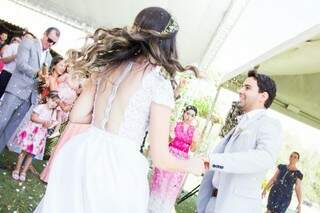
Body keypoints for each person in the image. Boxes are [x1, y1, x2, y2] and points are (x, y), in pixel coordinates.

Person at [33, 7, 206, 213]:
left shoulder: (108, 66)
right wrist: (192, 165)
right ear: (167, 42)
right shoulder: (159, 85)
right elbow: (160, 157)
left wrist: (102, 119)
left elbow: (77, 115)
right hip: (119, 168)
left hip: (84, 152)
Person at [197, 70, 282, 213]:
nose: (240, 90)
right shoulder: (241, 123)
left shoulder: (269, 124)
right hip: (212, 203)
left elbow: (265, 158)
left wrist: (214, 160)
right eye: (242, 86)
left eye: (247, 88)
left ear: (263, 96)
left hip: (235, 207)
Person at [0, 27, 60, 156]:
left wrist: (43, 82)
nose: (50, 44)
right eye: (49, 40)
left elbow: (41, 76)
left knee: (10, 128)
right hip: (17, 89)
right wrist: (38, 73)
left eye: (54, 42)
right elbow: (21, 64)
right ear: (44, 34)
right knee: (1, 121)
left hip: (30, 96)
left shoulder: (49, 57)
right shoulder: (29, 42)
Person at [149, 105, 199, 212]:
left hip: (182, 160)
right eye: (187, 113)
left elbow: (193, 149)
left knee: (172, 184)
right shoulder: (175, 124)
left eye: (192, 115)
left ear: (194, 118)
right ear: (184, 113)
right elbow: (166, 141)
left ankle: (164, 208)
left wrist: (194, 142)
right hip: (170, 154)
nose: (189, 117)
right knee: (161, 179)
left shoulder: (194, 131)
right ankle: (152, 204)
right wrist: (170, 137)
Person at [11, 91, 60, 182]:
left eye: (56, 103)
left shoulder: (53, 113)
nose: (54, 104)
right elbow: (33, 117)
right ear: (47, 98)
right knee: (24, 152)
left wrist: (50, 125)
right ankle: (17, 170)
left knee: (31, 154)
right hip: (32, 132)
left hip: (40, 135)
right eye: (53, 101)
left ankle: (23, 172)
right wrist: (43, 121)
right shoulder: (41, 107)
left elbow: (48, 125)